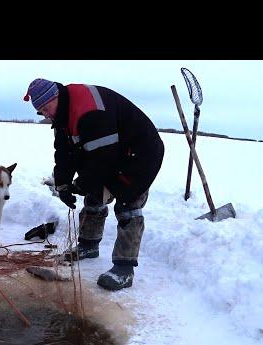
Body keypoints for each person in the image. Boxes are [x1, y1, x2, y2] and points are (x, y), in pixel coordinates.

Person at [23, 78, 164, 291]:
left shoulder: (89, 110)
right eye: (40, 112)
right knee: (94, 193)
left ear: (56, 98)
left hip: (140, 153)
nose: (45, 115)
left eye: (45, 108)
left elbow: (103, 159)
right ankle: (88, 245)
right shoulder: (62, 115)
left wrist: (80, 184)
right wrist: (62, 185)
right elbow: (64, 153)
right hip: (112, 151)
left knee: (128, 204)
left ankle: (124, 268)